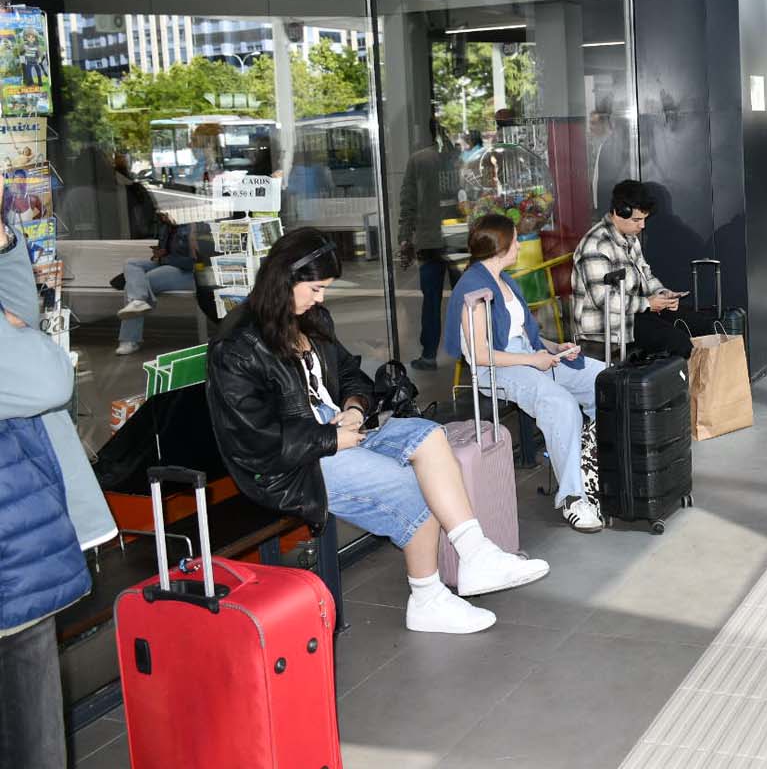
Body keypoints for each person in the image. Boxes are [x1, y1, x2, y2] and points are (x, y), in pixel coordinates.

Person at [208, 228, 548, 635]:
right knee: (412, 484)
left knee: (429, 437)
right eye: (315, 288)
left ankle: (476, 555)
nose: (320, 298)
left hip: (336, 436)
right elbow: (258, 440)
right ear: (284, 278)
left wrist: (353, 407)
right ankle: (427, 598)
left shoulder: (310, 319)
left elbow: (351, 374)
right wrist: (332, 439)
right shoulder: (239, 346)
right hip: (292, 465)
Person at [1, 212, 115, 769]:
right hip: (11, 564)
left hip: (16, 550)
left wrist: (5, 249)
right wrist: (23, 338)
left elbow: (18, 316)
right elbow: (49, 380)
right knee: (33, 738)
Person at [453, 215, 606, 532]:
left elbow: (524, 335)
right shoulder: (472, 290)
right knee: (559, 404)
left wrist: (553, 348)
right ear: (501, 246)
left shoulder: (505, 281)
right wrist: (533, 361)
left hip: (528, 357)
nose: (519, 246)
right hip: (497, 368)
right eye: (515, 240)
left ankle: (593, 462)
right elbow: (481, 355)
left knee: (603, 379)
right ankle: (572, 497)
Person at [572, 179, 718, 358]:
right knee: (678, 342)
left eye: (644, 219)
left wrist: (663, 293)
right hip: (609, 328)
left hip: (634, 316)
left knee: (699, 325)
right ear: (619, 212)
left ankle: (707, 382)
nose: (642, 225)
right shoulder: (595, 246)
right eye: (636, 220)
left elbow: (646, 275)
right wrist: (648, 303)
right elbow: (604, 301)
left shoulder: (630, 238)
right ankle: (689, 384)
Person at [398, 120, 461, 371]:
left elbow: (408, 202)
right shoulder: (459, 158)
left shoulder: (418, 160)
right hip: (459, 239)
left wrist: (405, 237)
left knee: (431, 300)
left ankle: (428, 354)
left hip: (429, 239)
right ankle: (469, 353)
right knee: (466, 298)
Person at [115, 212, 198, 356]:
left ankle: (129, 340)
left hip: (186, 273)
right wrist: (160, 254)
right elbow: (166, 252)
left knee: (137, 282)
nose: (162, 217)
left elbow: (192, 262)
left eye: (165, 214)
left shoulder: (192, 227)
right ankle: (138, 300)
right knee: (131, 264)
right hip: (166, 265)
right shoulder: (167, 227)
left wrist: (165, 259)